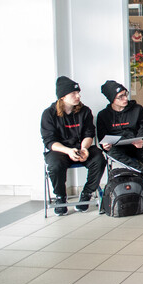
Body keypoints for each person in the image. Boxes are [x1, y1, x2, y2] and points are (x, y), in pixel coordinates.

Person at [40, 76, 106, 215]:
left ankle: (87, 193)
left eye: (78, 93)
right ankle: (60, 197)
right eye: (74, 94)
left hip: (81, 147)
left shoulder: (85, 111)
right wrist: (68, 151)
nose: (78, 96)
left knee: (99, 158)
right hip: (60, 150)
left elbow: (89, 133)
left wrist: (84, 148)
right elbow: (49, 141)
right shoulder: (49, 114)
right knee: (55, 164)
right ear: (63, 96)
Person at [96, 80, 143, 215]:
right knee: (111, 152)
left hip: (136, 143)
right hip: (118, 147)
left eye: (125, 94)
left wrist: (142, 139)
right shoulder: (103, 115)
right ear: (112, 99)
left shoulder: (137, 109)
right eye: (120, 97)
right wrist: (105, 144)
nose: (125, 98)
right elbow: (102, 137)